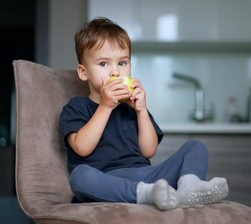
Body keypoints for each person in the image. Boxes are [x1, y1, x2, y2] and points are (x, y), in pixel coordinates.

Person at [59, 17, 228, 211]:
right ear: (83, 72)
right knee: (80, 176)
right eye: (104, 64)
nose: (115, 72)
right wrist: (105, 107)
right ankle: (143, 195)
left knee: (195, 146)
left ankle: (188, 188)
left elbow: (148, 151)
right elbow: (82, 147)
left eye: (122, 63)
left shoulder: (132, 108)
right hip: (106, 181)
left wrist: (141, 111)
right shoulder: (76, 107)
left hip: (147, 176)